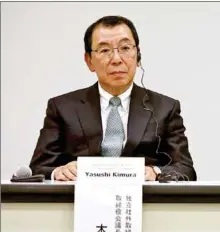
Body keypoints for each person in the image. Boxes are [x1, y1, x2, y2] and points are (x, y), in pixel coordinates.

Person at [29, 15, 196, 181]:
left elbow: (186, 169)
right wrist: (58, 171)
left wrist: (156, 171)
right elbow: (37, 168)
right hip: (77, 202)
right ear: (89, 61)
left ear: (138, 56)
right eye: (104, 50)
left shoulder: (165, 108)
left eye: (125, 48)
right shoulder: (62, 107)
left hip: (145, 203)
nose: (116, 59)